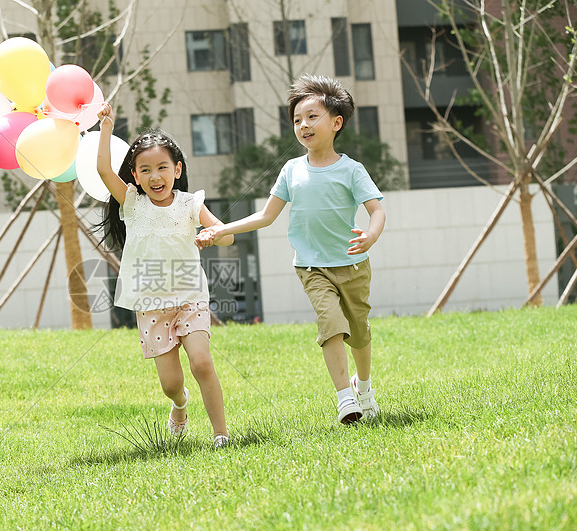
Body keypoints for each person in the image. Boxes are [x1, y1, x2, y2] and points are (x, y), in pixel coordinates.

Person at [195, 74, 386, 424]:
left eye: (312, 117)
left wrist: (371, 236)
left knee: (358, 331)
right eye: (297, 120)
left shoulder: (351, 170)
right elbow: (266, 216)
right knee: (331, 323)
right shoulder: (291, 170)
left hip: (353, 264)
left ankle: (365, 386)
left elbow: (377, 209)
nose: (303, 125)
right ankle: (346, 398)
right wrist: (220, 228)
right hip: (312, 267)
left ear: (336, 122)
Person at [94, 103, 234, 447]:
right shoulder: (131, 202)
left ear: (177, 169)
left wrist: (212, 234)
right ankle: (180, 406)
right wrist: (106, 128)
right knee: (171, 383)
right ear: (135, 175)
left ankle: (221, 434)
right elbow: (101, 170)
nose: (155, 176)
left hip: (190, 297)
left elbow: (226, 232)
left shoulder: (189, 203)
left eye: (162, 167)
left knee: (201, 362)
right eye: (146, 170)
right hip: (152, 304)